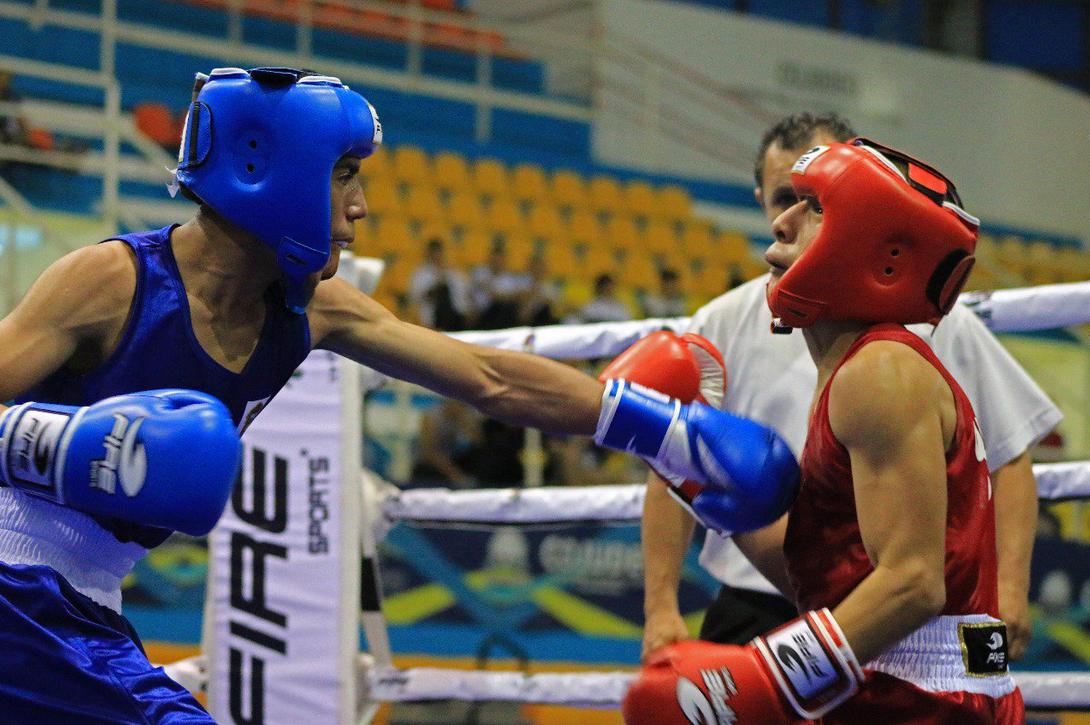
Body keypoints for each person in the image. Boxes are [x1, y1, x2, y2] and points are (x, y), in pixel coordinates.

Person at [0, 66, 791, 723]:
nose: (361, 209)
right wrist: (57, 450)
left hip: (78, 605)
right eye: (343, 175)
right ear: (262, 168)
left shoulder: (314, 310)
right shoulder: (111, 282)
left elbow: (490, 377)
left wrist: (665, 430)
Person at [625, 138, 1030, 722]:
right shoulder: (847, 368)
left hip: (927, 690)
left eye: (813, 205)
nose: (781, 222)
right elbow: (825, 581)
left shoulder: (880, 371)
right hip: (894, 671)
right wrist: (692, 477)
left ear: (880, 254)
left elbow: (915, 584)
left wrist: (769, 676)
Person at [408, 237, 474, 330]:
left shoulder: (452, 272)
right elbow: (416, 297)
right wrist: (437, 284)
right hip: (432, 318)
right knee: (443, 289)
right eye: (433, 253)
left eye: (438, 252)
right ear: (428, 254)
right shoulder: (420, 274)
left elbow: (465, 294)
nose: (436, 255)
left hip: (457, 317)